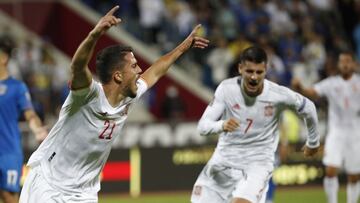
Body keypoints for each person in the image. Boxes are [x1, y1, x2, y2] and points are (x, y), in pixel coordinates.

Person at [19, 5, 209, 203]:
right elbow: (77, 66)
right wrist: (95, 33)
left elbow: (156, 70)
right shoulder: (88, 96)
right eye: (134, 66)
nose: (140, 70)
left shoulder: (129, 96)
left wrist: (184, 46)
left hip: (84, 192)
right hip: (49, 184)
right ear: (118, 75)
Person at [191, 46, 320, 203]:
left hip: (257, 164)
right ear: (240, 68)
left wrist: (313, 142)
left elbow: (309, 107)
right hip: (223, 161)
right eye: (249, 71)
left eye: (259, 72)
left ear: (266, 70)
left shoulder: (277, 94)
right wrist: (222, 125)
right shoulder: (226, 89)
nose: (254, 77)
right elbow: (203, 126)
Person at [292, 51, 360, 203]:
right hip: (336, 132)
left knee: (355, 176)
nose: (345, 64)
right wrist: (300, 88)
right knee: (330, 170)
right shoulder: (331, 83)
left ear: (354, 64)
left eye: (348, 61)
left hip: (356, 133)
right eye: (342, 61)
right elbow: (313, 92)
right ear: (338, 64)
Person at [0, 37, 47, 203]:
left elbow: (30, 114)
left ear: (4, 58)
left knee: (8, 196)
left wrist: (37, 129)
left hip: (8, 151)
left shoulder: (17, 87)